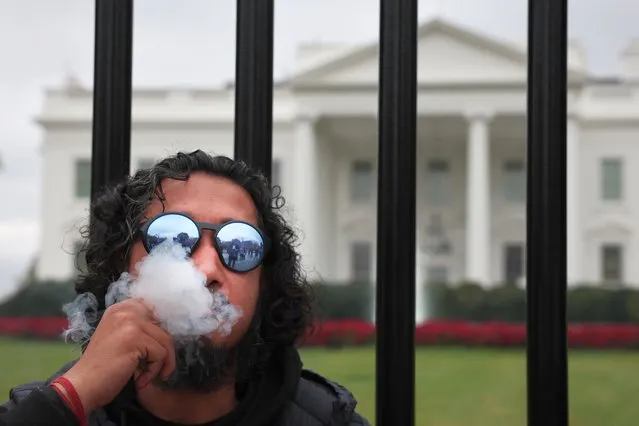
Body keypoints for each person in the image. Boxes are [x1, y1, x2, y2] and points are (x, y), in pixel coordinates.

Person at [0, 150, 369, 426]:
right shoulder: (54, 410)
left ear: (265, 282)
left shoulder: (326, 419)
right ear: (120, 265)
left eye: (241, 245)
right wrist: (69, 400)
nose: (207, 269)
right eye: (171, 237)